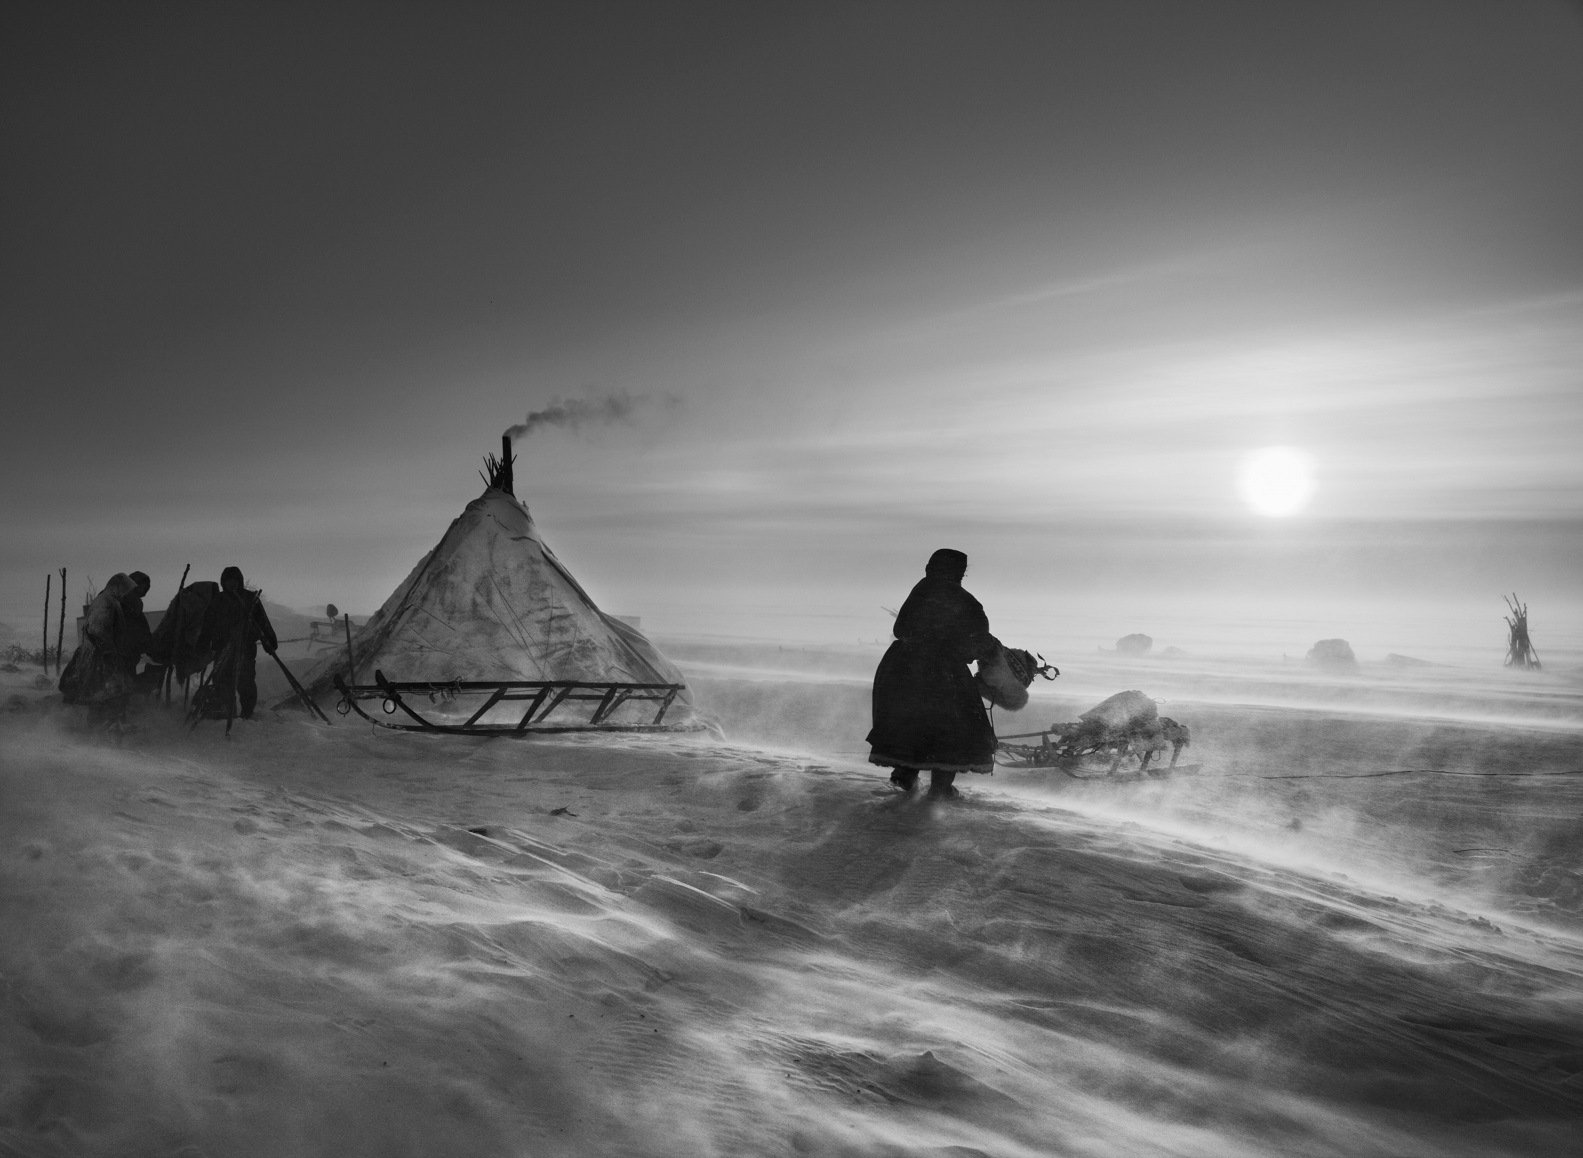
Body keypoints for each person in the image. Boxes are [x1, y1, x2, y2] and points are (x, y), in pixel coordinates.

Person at [866, 548, 998, 799]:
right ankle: (940, 788)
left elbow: (900, 628)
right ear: (960, 572)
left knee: (907, 722)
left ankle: (905, 777)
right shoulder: (965, 601)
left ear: (931, 567)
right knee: (951, 728)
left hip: (901, 668)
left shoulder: (920, 591)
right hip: (943, 673)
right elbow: (978, 640)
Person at [59, 572, 147, 724]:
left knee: (108, 693)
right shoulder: (104, 601)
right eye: (126, 589)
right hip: (96, 656)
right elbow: (96, 629)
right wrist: (109, 651)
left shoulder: (113, 601)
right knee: (97, 692)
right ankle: (92, 730)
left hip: (105, 655)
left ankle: (106, 726)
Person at [202, 566, 278, 720]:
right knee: (222, 682)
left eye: (235, 581)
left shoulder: (250, 599)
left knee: (246, 681)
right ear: (223, 582)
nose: (232, 584)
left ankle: (247, 714)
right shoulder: (218, 600)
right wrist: (204, 644)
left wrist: (269, 642)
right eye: (228, 581)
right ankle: (227, 713)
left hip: (245, 648)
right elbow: (208, 625)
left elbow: (263, 622)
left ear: (240, 581)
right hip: (223, 648)